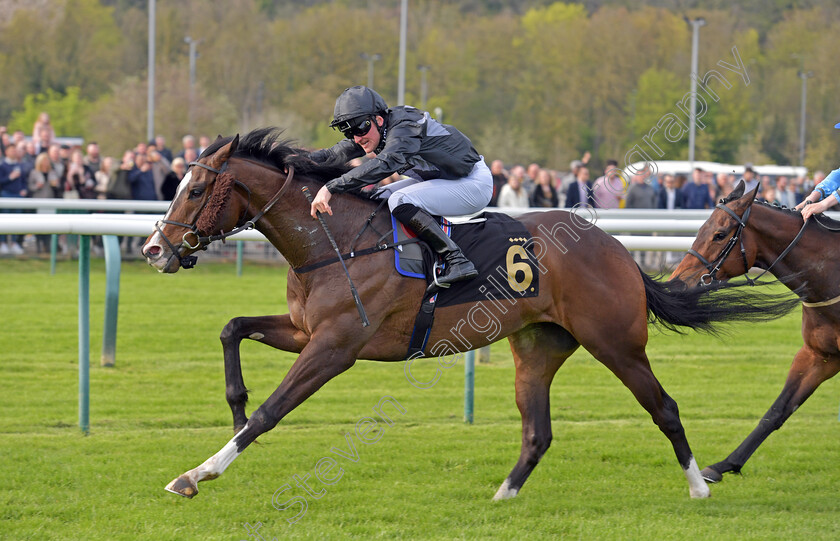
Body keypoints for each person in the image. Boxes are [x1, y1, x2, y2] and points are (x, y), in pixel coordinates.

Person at [308, 85, 492, 287]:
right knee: (378, 197)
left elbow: (386, 163)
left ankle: (457, 260)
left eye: (360, 128)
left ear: (378, 119)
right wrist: (291, 160)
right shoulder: (375, 130)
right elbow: (332, 155)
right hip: (445, 180)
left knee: (398, 199)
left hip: (473, 182)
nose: (357, 138)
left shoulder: (405, 126)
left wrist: (330, 187)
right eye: (350, 132)